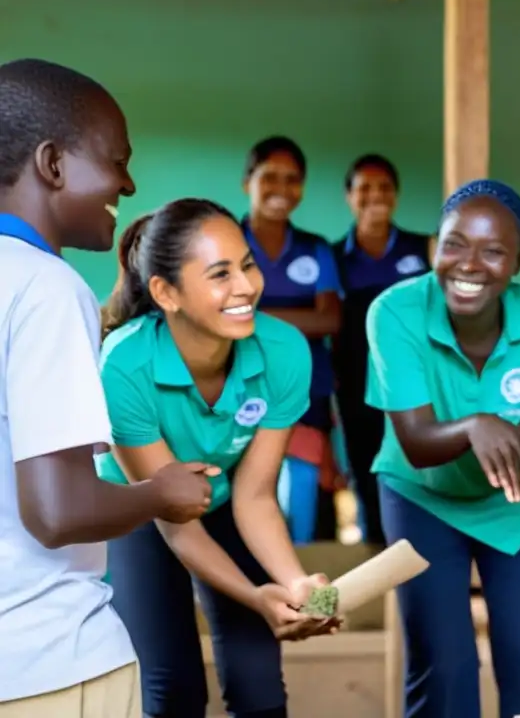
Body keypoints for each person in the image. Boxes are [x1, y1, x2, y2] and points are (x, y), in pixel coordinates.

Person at [0, 58, 216, 717]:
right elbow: (58, 510)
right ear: (52, 163)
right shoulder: (47, 288)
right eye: (116, 160)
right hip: (50, 658)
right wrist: (160, 493)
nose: (126, 182)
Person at [97, 198, 342, 718]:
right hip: (141, 513)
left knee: (260, 688)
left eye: (248, 265)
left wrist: (297, 586)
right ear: (166, 292)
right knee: (172, 690)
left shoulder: (284, 351)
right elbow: (176, 525)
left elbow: (255, 495)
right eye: (220, 274)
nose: (246, 287)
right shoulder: (123, 365)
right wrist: (256, 597)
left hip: (227, 499)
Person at [365, 179, 520, 718]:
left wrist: (513, 438)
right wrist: (475, 426)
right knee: (444, 664)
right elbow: (416, 444)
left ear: (519, 261)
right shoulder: (395, 311)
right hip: (423, 498)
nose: (470, 264)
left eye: (494, 250)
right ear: (435, 243)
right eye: (454, 243)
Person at [240, 135, 343, 545]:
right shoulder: (226, 240)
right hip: (240, 386)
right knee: (244, 487)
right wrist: (302, 318)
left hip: (308, 389)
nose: (281, 189)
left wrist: (251, 317)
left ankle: (307, 594)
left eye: (293, 179)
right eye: (270, 177)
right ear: (247, 181)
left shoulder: (315, 248)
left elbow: (331, 318)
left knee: (309, 495)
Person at [332, 154, 434, 548]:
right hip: (355, 382)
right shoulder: (334, 257)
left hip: (414, 380)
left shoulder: (423, 249)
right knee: (365, 466)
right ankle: (378, 549)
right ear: (349, 196)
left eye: (384, 187)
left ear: (396, 195)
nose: (375, 196)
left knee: (417, 462)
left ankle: (421, 547)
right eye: (364, 188)